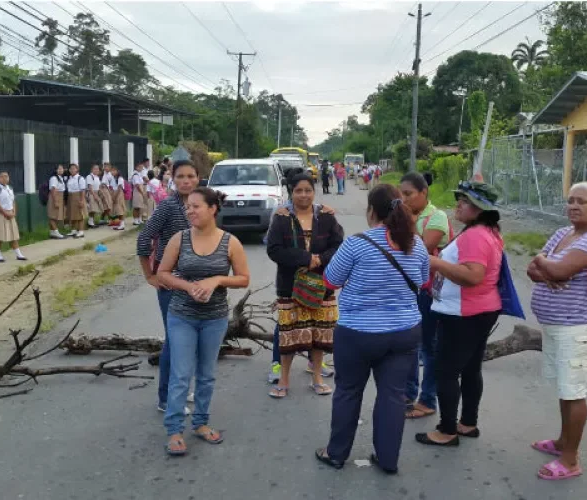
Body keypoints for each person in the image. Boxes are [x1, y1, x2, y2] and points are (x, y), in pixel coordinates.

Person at [315, 184, 428, 474]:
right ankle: (388, 459)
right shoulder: (416, 245)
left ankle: (336, 453)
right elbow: (424, 282)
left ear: (372, 211)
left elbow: (330, 281)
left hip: (357, 334)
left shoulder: (356, 244)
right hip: (404, 333)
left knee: (348, 392)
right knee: (393, 395)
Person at [527, 181, 587, 480]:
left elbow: (558, 271)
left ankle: (570, 460)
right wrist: (545, 266)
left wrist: (545, 263)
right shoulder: (564, 233)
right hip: (556, 324)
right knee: (565, 388)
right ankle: (563, 443)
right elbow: (533, 271)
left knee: (574, 391)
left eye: (582, 202)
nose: (573, 206)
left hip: (577, 326)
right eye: (571, 200)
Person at [157, 187, 250, 456]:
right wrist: (187, 287)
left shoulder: (229, 242)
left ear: (213, 209)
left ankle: (200, 423)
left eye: (196, 206)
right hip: (182, 317)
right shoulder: (180, 239)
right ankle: (174, 429)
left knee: (207, 375)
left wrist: (217, 279)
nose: (190, 211)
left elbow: (243, 278)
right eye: (187, 207)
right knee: (181, 374)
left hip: (214, 319)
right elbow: (162, 273)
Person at [415, 180, 503, 448]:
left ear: (478, 208)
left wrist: (436, 262)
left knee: (446, 371)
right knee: (470, 368)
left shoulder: (476, 236)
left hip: (464, 313)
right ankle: (467, 422)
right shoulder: (487, 231)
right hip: (479, 310)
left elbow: (473, 275)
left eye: (464, 201)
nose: (458, 205)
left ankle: (447, 429)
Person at [266, 174, 344, 399]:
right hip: (290, 286)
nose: (303, 195)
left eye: (308, 190)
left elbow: (339, 245)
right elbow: (274, 249)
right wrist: (304, 258)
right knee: (289, 334)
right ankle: (284, 380)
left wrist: (320, 259)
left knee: (319, 333)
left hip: (322, 285)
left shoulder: (327, 217)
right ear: (292, 192)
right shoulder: (282, 218)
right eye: (299, 191)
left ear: (314, 191)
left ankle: (317, 378)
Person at [137, 159, 200, 414]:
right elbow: (144, 239)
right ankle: (165, 398)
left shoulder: (200, 205)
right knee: (175, 341)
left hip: (195, 284)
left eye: (191, 176)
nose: (186, 181)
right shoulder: (167, 207)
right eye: (181, 176)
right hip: (170, 284)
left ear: (198, 178)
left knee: (192, 339)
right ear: (172, 178)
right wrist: (150, 276)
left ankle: (181, 389)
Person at [399, 173, 453, 420]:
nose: (404, 199)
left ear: (424, 192)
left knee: (429, 347)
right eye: (402, 194)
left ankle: (428, 399)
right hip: (409, 289)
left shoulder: (436, 217)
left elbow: (417, 250)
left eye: (409, 194)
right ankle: (409, 392)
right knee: (411, 344)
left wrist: (407, 222)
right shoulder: (407, 216)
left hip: (430, 291)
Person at [0, 170, 26, 262]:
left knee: (13, 235)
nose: (5, 178)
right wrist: (5, 213)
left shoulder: (9, 188)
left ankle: (18, 254)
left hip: (10, 214)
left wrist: (13, 212)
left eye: (6, 176)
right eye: (2, 176)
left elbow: (13, 201)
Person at [66, 163, 87, 238]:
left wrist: (81, 200)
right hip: (71, 197)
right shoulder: (69, 178)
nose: (72, 170)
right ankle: (73, 230)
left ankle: (81, 231)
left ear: (77, 169)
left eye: (74, 168)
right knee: (73, 214)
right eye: (70, 168)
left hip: (78, 197)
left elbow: (83, 190)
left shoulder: (80, 178)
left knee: (80, 215)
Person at [47, 165, 67, 239]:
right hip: (55, 197)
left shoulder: (61, 178)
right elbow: (53, 189)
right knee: (53, 216)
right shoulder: (54, 178)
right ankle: (56, 232)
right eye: (59, 169)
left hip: (60, 197)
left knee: (56, 216)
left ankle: (52, 232)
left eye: (62, 169)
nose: (61, 170)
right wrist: (55, 201)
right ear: (55, 170)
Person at [85, 164, 103, 228]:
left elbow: (98, 187)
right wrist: (95, 196)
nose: (96, 170)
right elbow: (90, 187)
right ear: (92, 169)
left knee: (95, 209)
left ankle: (91, 221)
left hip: (96, 193)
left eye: (97, 169)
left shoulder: (97, 177)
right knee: (92, 208)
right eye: (95, 169)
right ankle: (90, 222)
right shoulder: (89, 176)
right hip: (91, 193)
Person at [131, 160, 148, 226]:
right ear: (136, 167)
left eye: (142, 167)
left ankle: (138, 218)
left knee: (139, 206)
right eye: (140, 167)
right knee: (136, 206)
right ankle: (135, 219)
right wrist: (142, 192)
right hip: (137, 191)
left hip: (140, 190)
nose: (141, 168)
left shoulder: (139, 174)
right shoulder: (135, 175)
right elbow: (137, 185)